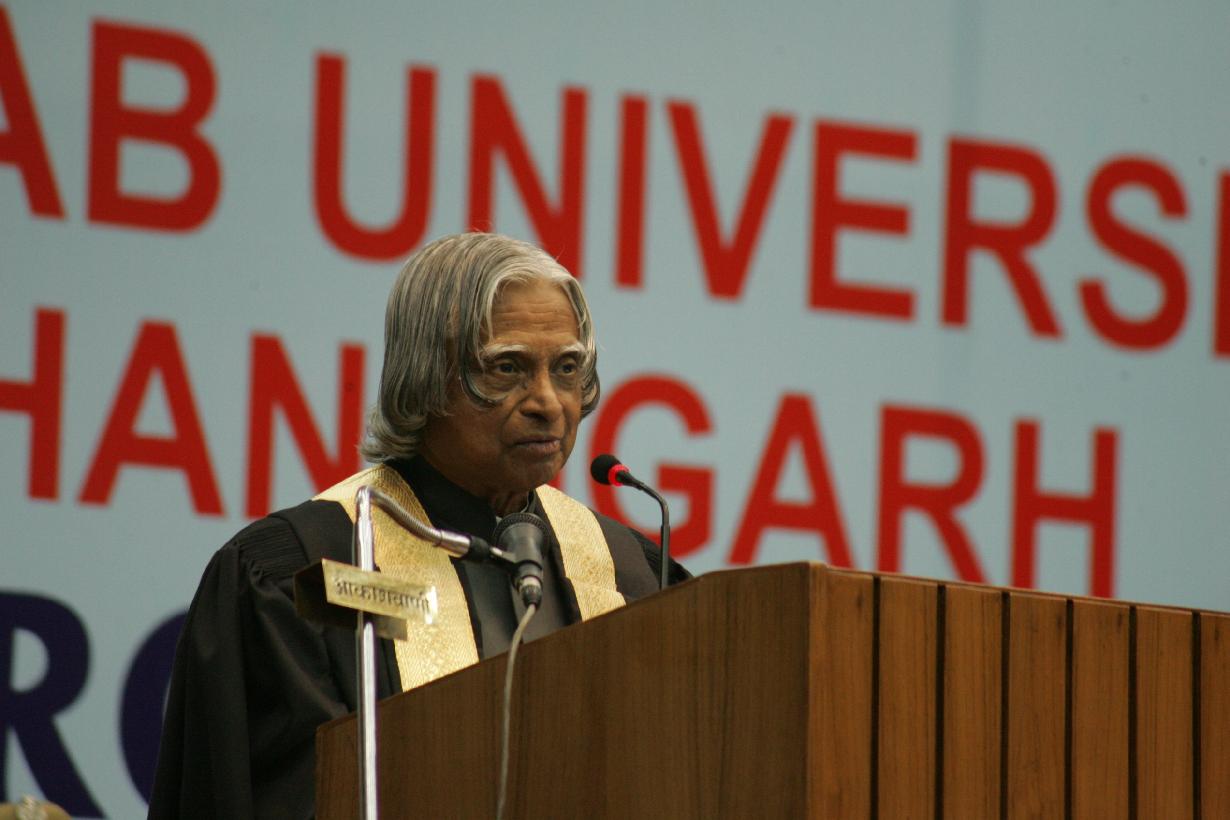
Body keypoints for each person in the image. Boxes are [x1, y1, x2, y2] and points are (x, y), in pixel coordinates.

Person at [147, 233, 687, 818]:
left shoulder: (630, 573)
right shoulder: (308, 573)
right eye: (507, 368)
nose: (548, 402)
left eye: (567, 369)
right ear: (425, 375)